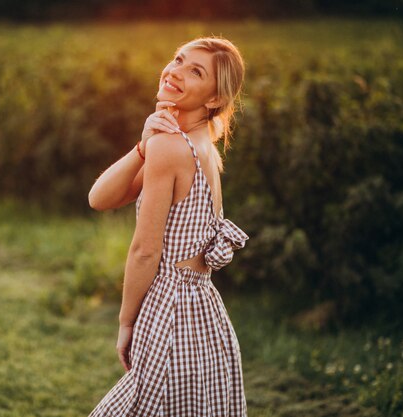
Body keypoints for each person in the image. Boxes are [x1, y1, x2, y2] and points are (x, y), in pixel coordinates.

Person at [87, 36, 250, 417]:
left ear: (213, 100)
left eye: (195, 71)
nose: (175, 71)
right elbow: (101, 197)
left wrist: (126, 322)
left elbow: (145, 250)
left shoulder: (172, 148)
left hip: (170, 308)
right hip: (203, 310)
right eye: (178, 58)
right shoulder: (198, 144)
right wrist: (143, 147)